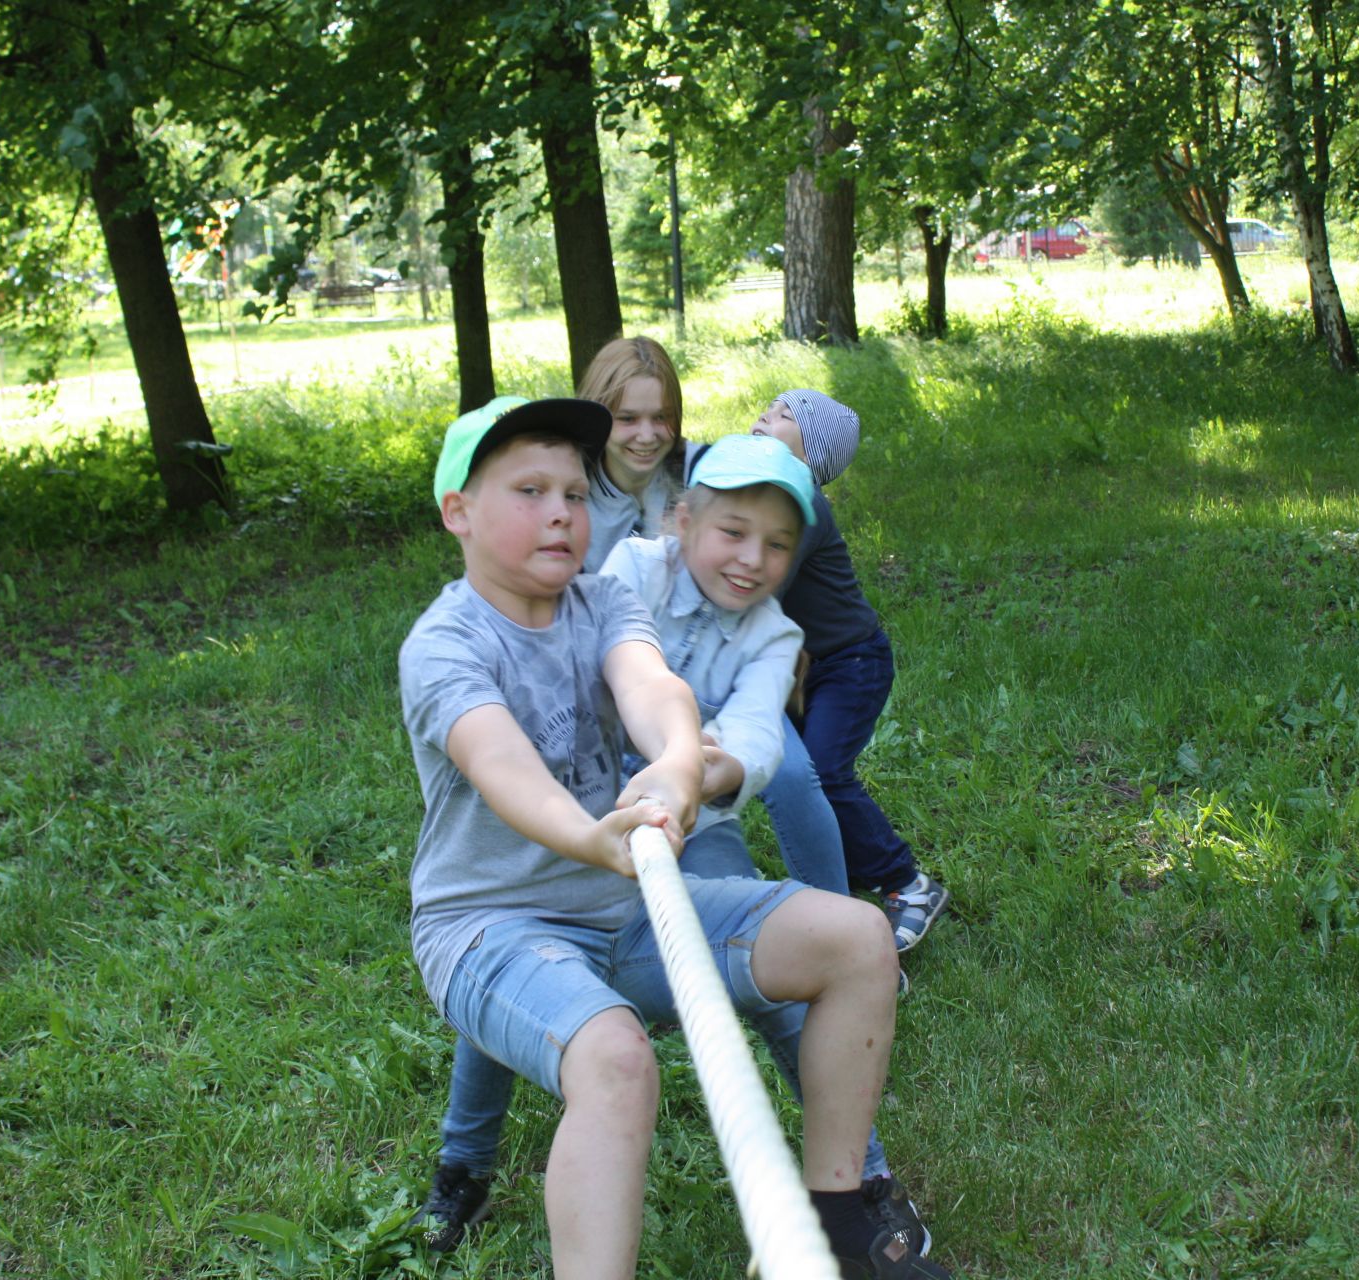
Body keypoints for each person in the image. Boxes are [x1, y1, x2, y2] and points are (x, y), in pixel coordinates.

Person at [400, 396, 948, 1278]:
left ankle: (840, 1218)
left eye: (575, 495)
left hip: (636, 907)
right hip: (491, 927)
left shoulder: (605, 599)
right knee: (618, 1060)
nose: (560, 513)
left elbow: (654, 690)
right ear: (457, 512)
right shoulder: (446, 643)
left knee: (855, 937)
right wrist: (596, 839)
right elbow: (502, 766)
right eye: (529, 490)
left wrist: (680, 763)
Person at [750, 389, 952, 954]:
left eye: (783, 416)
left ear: (810, 453)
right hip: (809, 666)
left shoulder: (802, 502)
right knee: (804, 776)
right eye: (766, 409)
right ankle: (844, 885)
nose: (765, 416)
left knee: (821, 771)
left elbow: (758, 585)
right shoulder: (767, 494)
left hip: (852, 663)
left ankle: (906, 884)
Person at [577, 335, 686, 571]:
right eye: (628, 419)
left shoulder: (699, 476)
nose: (646, 436)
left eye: (661, 417)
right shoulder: (570, 494)